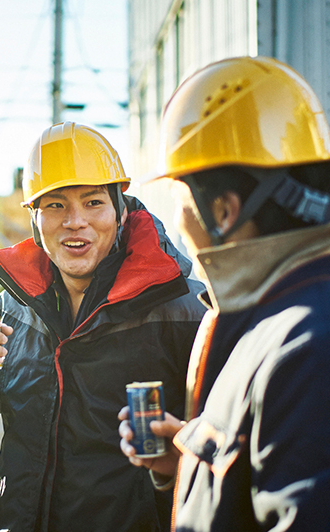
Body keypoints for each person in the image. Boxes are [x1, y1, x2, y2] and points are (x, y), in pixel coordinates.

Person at [0, 121, 206, 531]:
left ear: (120, 211)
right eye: (55, 205)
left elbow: (232, 457)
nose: (75, 222)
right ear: (34, 218)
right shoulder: (10, 312)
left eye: (93, 203)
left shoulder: (184, 312)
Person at [118, 56, 330, 530]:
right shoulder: (281, 316)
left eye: (181, 199)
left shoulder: (307, 345)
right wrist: (196, 463)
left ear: (225, 211)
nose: (178, 221)